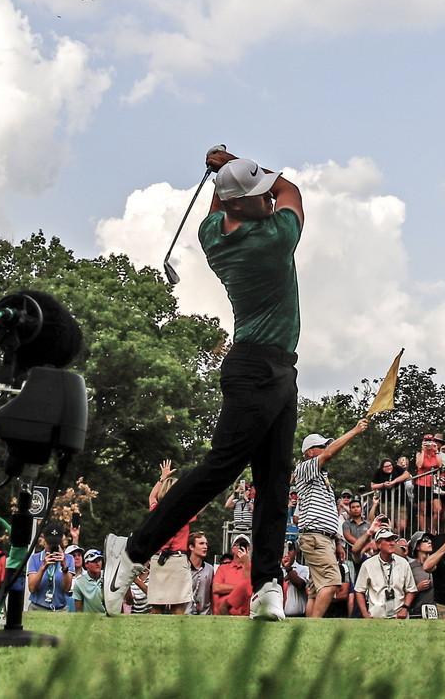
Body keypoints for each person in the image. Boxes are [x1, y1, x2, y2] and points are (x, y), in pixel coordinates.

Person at [104, 149, 306, 623]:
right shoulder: (275, 239)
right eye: (256, 195)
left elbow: (230, 200)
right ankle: (131, 553)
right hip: (257, 367)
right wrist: (232, 159)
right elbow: (291, 191)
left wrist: (222, 175)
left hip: (275, 370)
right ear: (240, 204)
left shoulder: (212, 233)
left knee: (274, 482)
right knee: (219, 470)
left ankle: (266, 586)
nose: (266, 199)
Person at [295, 419, 370, 618]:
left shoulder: (321, 476)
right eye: (321, 446)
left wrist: (336, 541)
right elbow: (330, 454)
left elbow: (328, 514)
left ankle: (307, 630)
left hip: (322, 537)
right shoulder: (305, 468)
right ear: (309, 452)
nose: (326, 449)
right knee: (332, 583)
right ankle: (312, 629)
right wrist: (354, 431)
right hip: (315, 537)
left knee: (314, 590)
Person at [142, 461, 196, 615]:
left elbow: (152, 496)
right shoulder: (184, 511)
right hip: (177, 561)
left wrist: (162, 478)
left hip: (158, 561)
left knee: (156, 607)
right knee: (178, 607)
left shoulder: (156, 510)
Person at [355, 529, 416, 619]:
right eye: (387, 540)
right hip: (376, 617)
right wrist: (365, 614)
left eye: (393, 540)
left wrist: (405, 608)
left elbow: (411, 589)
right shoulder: (368, 565)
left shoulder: (403, 563)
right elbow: (359, 590)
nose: (392, 543)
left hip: (399, 617)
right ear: (378, 544)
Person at [27, 525, 75, 612]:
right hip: (38, 607)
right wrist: (43, 568)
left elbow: (67, 588)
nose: (52, 547)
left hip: (60, 609)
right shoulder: (35, 558)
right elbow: (32, 588)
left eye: (55, 544)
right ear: (44, 541)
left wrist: (64, 566)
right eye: (50, 544)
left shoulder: (69, 559)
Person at [414, 435, 445, 533]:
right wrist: (424, 450)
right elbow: (419, 465)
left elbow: (440, 465)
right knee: (422, 510)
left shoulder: (435, 453)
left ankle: (433, 530)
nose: (428, 444)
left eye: (430, 441)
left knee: (438, 509)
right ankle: (423, 532)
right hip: (421, 483)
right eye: (426, 441)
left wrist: (436, 450)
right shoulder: (419, 453)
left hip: (434, 484)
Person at [213, 535, 252, 616]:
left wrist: (246, 562)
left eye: (244, 545)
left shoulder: (253, 568)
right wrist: (241, 588)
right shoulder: (223, 568)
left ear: (248, 549)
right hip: (223, 614)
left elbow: (251, 590)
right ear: (232, 549)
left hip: (245, 615)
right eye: (237, 544)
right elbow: (216, 588)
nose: (240, 548)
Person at [370, 458, 410, 535]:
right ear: (382, 468)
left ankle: (395, 536)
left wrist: (393, 482)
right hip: (385, 502)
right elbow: (373, 486)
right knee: (386, 523)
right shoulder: (378, 472)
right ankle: (388, 537)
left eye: (390, 465)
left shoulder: (397, 468)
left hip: (400, 501)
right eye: (386, 466)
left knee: (402, 525)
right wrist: (383, 485)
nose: (389, 467)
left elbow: (407, 475)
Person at [406, 532, 436, 617]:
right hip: (416, 612)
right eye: (425, 540)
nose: (429, 542)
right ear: (417, 546)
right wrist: (417, 588)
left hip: (436, 612)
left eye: (430, 540)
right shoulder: (410, 567)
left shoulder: (437, 565)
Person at [279, 542, 310, 618]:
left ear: (295, 552)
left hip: (298, 617)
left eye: (289, 550)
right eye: (284, 550)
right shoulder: (275, 570)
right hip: (277, 616)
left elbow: (300, 585)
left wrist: (288, 569)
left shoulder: (303, 569)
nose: (286, 554)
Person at [187, 532, 214, 615]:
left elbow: (212, 595)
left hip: (205, 616)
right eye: (201, 543)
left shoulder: (210, 569)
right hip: (185, 615)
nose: (205, 547)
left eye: (206, 544)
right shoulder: (183, 568)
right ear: (191, 547)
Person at [72, 550, 106, 614]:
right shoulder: (79, 582)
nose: (97, 563)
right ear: (86, 564)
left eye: (99, 560)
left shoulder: (108, 577)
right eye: (94, 561)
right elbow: (78, 611)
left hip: (108, 618)